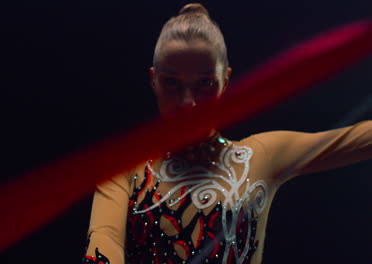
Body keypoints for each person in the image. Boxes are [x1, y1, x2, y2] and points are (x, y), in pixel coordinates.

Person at [81, 3, 372, 264]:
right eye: (172, 83)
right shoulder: (121, 169)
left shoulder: (259, 156)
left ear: (226, 81)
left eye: (205, 83)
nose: (188, 102)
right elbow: (104, 239)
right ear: (153, 80)